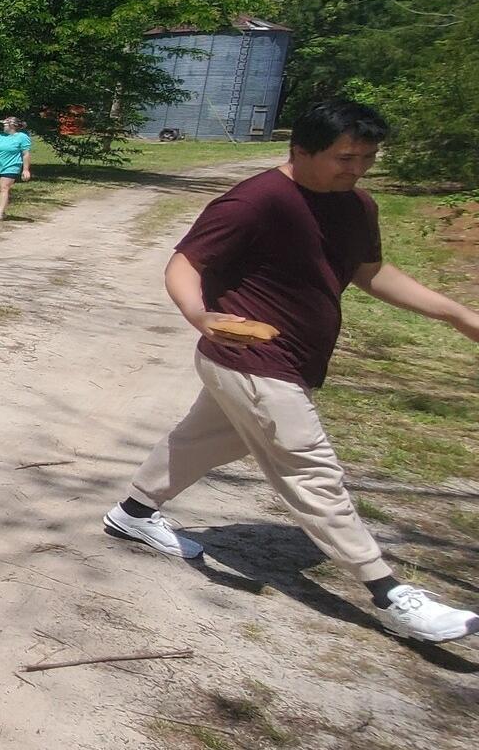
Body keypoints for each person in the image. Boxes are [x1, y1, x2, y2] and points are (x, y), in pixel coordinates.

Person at [103, 100, 479, 643]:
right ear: (300, 150)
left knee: (209, 438)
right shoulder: (255, 201)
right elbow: (186, 262)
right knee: (310, 470)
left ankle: (133, 511)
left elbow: (368, 272)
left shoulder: (357, 206)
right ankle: (391, 594)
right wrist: (199, 314)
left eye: (367, 158)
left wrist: (456, 313)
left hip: (294, 360)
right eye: (345, 158)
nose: (357, 169)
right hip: (248, 357)